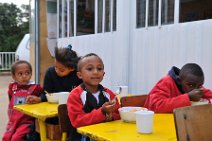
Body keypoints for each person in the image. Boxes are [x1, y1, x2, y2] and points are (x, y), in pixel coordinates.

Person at [67, 53, 120, 141]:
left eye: (99, 69)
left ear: (103, 74)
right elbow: (77, 121)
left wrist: (111, 116)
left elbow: (119, 115)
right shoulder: (75, 95)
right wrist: (102, 112)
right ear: (80, 75)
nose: (96, 72)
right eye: (90, 69)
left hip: (106, 136)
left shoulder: (108, 93)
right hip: (82, 137)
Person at [144, 63, 212, 113]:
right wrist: (188, 97)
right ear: (179, 81)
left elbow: (208, 96)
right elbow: (155, 105)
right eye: (190, 85)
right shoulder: (166, 82)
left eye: (200, 86)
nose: (195, 90)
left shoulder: (195, 85)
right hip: (154, 123)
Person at [2, 60, 43, 141]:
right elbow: (11, 100)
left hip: (26, 122)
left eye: (27, 73)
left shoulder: (35, 88)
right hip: (13, 122)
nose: (24, 76)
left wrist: (38, 99)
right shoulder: (12, 87)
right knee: (6, 138)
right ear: (14, 76)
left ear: (31, 74)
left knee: (16, 138)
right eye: (20, 74)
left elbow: (43, 96)